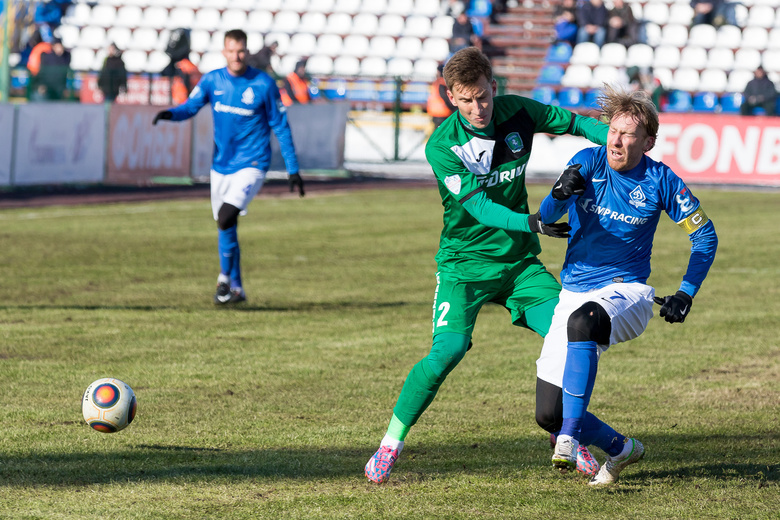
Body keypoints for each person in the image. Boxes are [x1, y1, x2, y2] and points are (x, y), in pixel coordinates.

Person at [364, 47, 611, 484]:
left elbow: (572, 122)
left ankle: (569, 437)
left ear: (493, 88)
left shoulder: (518, 112)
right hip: (464, 267)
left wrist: (611, 139)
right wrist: (532, 221)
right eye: (465, 100)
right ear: (450, 98)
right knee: (448, 352)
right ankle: (389, 444)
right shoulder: (442, 146)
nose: (477, 108)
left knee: (569, 334)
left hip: (519, 266)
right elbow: (478, 205)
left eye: (482, 96)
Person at [537, 84, 718, 485]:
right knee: (547, 412)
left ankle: (567, 439)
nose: (616, 141)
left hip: (627, 293)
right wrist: (558, 193)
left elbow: (705, 236)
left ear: (648, 141)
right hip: (574, 292)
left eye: (628, 134)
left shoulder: (660, 180)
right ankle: (622, 449)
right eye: (613, 131)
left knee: (583, 324)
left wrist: (686, 292)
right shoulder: (586, 162)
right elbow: (547, 218)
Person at [152, 29, 305, 305]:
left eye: (241, 50)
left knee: (225, 216)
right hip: (221, 165)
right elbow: (190, 107)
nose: (237, 55)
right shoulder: (213, 80)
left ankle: (223, 281)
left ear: (246, 51)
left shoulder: (263, 84)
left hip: (253, 163)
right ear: (224, 51)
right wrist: (170, 114)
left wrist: (293, 168)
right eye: (232, 50)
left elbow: (281, 126)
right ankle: (237, 289)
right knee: (227, 225)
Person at [427, 62, 455, 128]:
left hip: (435, 112)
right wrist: (452, 108)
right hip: (442, 112)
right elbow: (443, 95)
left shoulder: (436, 82)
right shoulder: (442, 82)